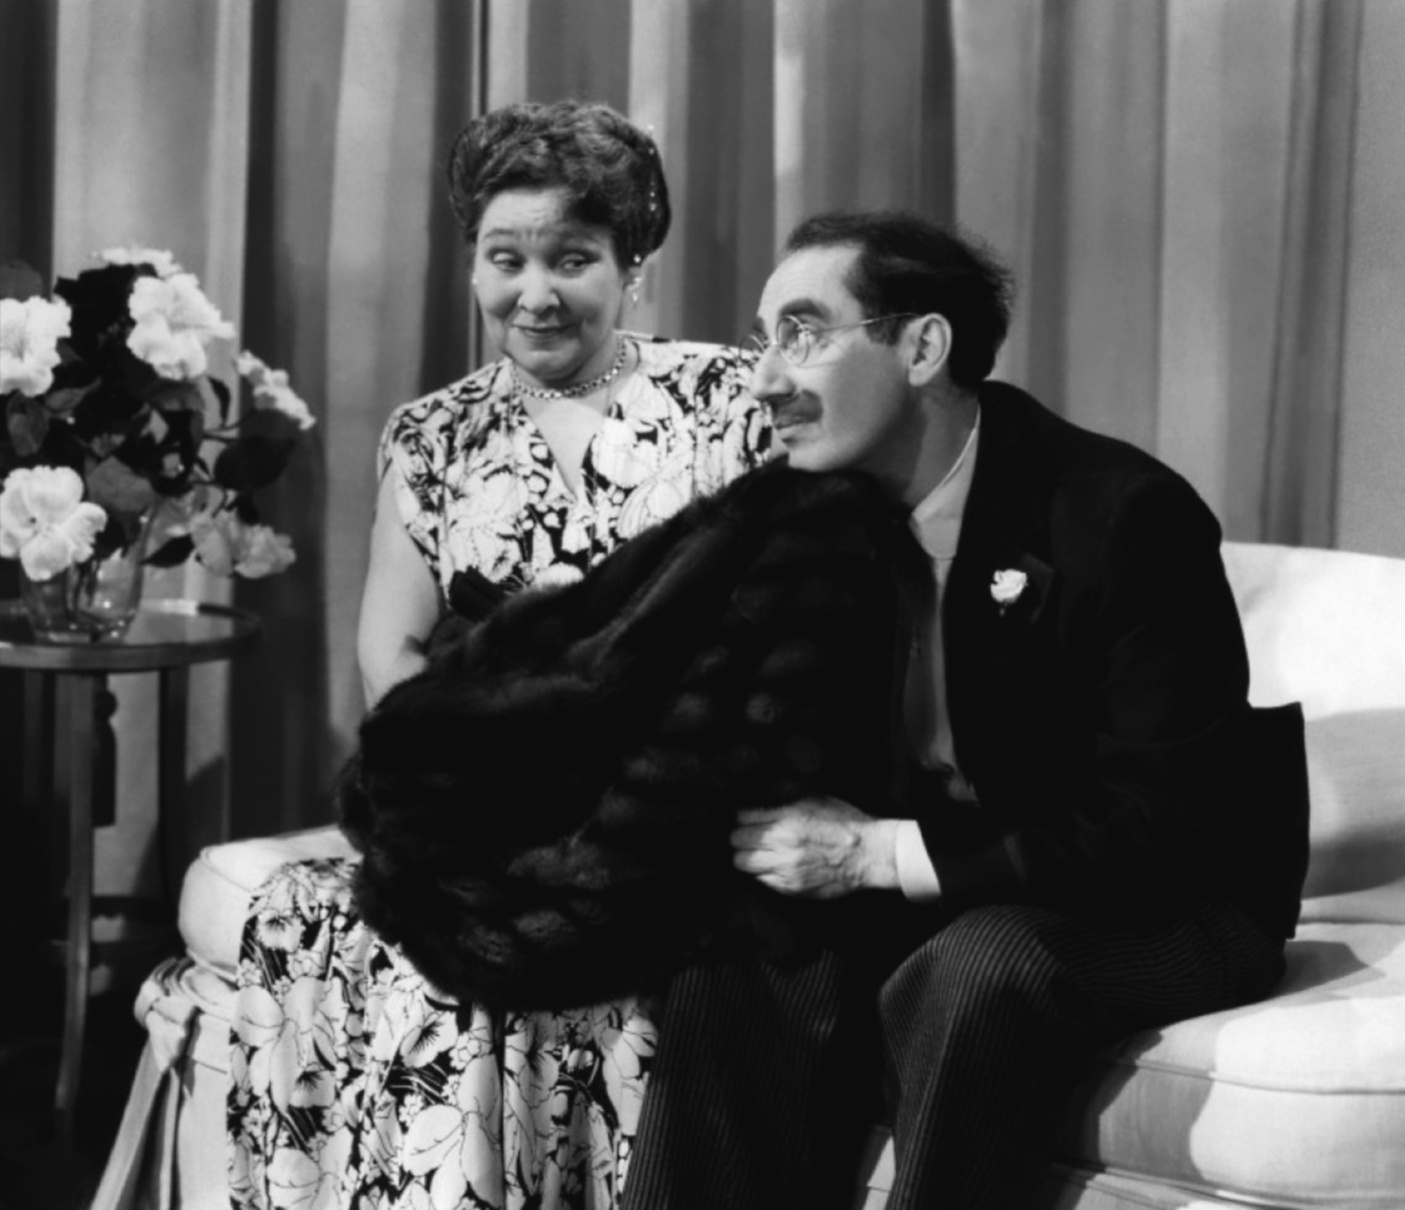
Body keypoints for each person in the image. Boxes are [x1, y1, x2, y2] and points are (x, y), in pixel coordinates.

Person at [619, 211, 1310, 1209]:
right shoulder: (805, 515)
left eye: (802, 334)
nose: (764, 378)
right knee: (737, 952)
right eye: (763, 339)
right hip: (959, 880)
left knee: (979, 970)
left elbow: (1163, 827)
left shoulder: (1122, 515)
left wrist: (878, 854)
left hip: (1169, 895)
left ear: (922, 347)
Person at [227, 99, 767, 1209]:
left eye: (572, 258)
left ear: (633, 266)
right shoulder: (433, 434)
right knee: (321, 915)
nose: (535, 293)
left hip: (667, 796)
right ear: (471, 262)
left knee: (554, 942)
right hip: (482, 798)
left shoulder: (728, 402)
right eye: (504, 257)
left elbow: (764, 635)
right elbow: (390, 649)